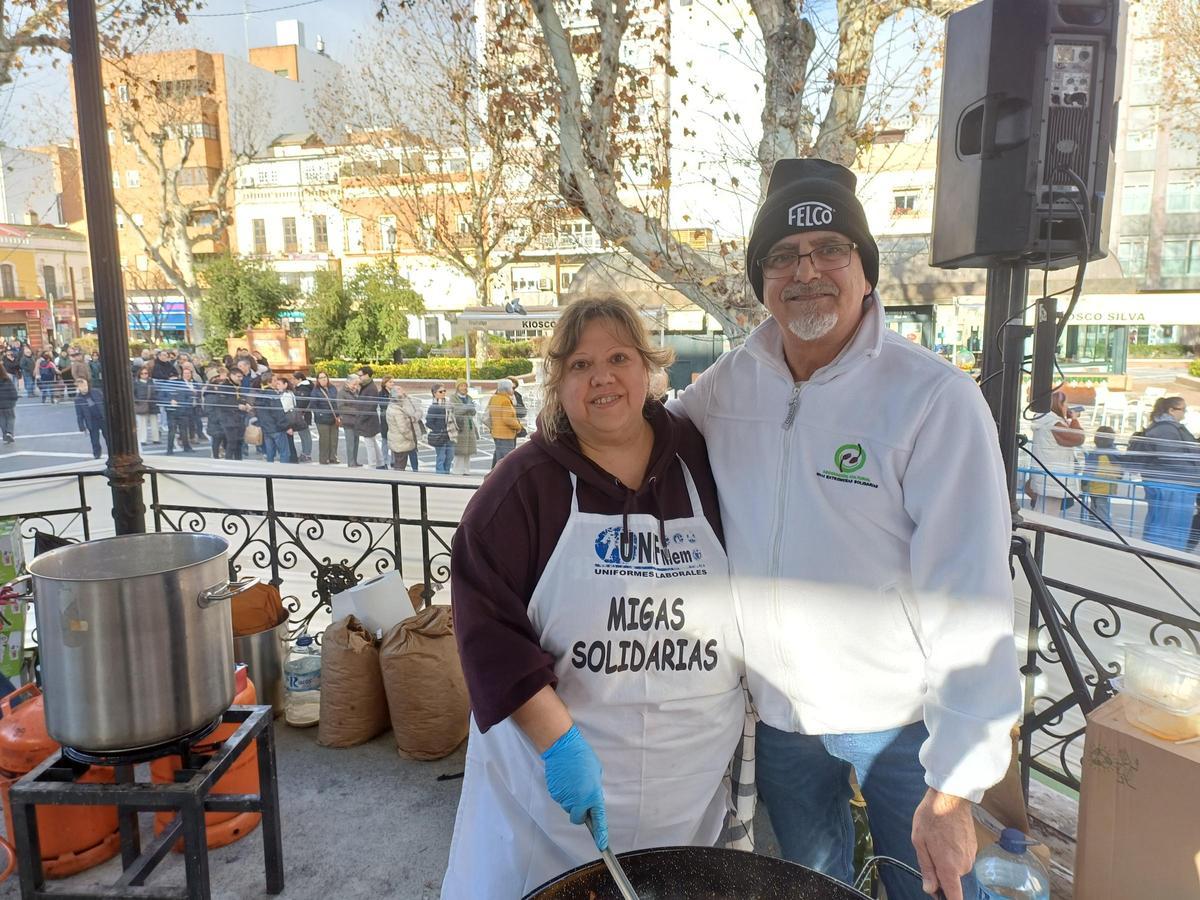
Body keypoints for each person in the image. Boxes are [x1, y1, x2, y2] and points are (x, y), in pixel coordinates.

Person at [671, 158, 1020, 900]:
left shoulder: (934, 400)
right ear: (760, 278)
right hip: (784, 723)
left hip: (903, 727)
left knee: (936, 891)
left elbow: (973, 596)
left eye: (831, 248)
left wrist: (955, 787)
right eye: (783, 256)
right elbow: (638, 444)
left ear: (866, 269)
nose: (807, 271)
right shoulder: (727, 385)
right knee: (813, 889)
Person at [442, 295, 746, 898]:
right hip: (552, 799)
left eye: (618, 357)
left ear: (647, 368)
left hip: (690, 796)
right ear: (556, 382)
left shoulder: (702, 464)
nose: (602, 377)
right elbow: (488, 632)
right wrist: (559, 745)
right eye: (580, 365)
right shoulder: (522, 488)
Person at [1129, 396, 1200, 550]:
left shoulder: (1168, 428)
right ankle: (1161, 555)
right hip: (1171, 485)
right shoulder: (1165, 429)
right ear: (1171, 410)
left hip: (1175, 485)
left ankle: (1164, 554)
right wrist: (1193, 472)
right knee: (1166, 527)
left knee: (1170, 526)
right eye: (1183, 410)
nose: (1185, 414)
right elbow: (1170, 458)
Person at [1026, 390, 1084, 515]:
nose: (1067, 407)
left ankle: (1038, 532)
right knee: (1048, 515)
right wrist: (1074, 420)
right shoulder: (1053, 423)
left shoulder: (1046, 420)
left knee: (1041, 511)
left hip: (1047, 475)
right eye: (1065, 404)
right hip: (1054, 477)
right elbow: (1077, 438)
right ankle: (1041, 534)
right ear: (1059, 405)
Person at [1080, 425, 1122, 527]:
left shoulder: (1096, 454)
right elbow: (1120, 473)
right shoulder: (1116, 453)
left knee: (1099, 514)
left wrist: (1083, 485)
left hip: (1095, 487)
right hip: (1109, 487)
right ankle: (1098, 530)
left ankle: (1102, 534)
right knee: (1101, 511)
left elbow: (1088, 472)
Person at [255, 374, 293, 463]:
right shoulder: (272, 395)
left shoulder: (260, 394)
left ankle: (270, 472)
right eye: (275, 380)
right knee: (284, 452)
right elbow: (278, 413)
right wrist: (286, 426)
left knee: (270, 453)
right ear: (269, 382)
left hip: (266, 428)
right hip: (276, 428)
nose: (277, 383)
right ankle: (283, 473)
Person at [385, 383, 423, 471]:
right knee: (400, 465)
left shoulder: (393, 407)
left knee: (400, 463)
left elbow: (418, 411)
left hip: (398, 440)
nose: (403, 392)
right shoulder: (397, 411)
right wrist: (411, 437)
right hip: (401, 441)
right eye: (400, 391)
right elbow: (403, 429)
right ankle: (399, 481)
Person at [354, 367, 384, 469]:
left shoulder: (370, 388)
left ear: (367, 375)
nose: (359, 377)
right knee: (372, 442)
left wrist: (361, 418)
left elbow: (370, 406)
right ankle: (380, 463)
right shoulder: (366, 386)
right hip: (369, 419)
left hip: (368, 420)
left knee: (369, 444)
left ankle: (372, 465)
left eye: (360, 375)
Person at [487, 379, 521, 467]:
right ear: (507, 389)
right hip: (505, 434)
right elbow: (508, 419)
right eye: (512, 388)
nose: (513, 390)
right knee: (505, 461)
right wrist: (518, 426)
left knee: (498, 458)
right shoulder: (505, 400)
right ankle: (502, 479)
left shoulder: (495, 398)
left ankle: (493, 477)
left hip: (496, 432)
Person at [449, 380, 479, 475]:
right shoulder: (453, 398)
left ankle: (466, 470)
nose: (464, 388)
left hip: (469, 427)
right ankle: (457, 471)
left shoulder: (469, 397)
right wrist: (467, 407)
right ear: (457, 387)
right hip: (459, 426)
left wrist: (470, 408)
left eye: (465, 386)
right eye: (461, 385)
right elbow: (456, 411)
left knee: (468, 451)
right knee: (459, 451)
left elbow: (473, 412)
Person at [311, 372, 340, 464]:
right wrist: (320, 414)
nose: (323, 379)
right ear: (318, 380)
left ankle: (333, 457)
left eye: (325, 377)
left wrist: (338, 415)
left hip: (333, 417)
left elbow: (336, 402)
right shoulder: (315, 391)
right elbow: (313, 405)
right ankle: (323, 459)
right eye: (321, 378)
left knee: (334, 439)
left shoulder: (333, 388)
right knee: (324, 440)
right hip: (322, 419)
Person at [74, 378, 107, 459]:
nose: (85, 387)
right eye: (82, 386)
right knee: (94, 439)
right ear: (78, 388)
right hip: (91, 421)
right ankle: (97, 454)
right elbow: (79, 415)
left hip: (102, 418)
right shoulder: (78, 399)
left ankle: (112, 452)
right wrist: (82, 427)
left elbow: (105, 403)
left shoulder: (96, 392)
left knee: (108, 437)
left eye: (85, 385)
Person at [163, 373, 195, 455]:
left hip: (182, 412)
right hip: (171, 412)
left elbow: (189, 397)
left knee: (183, 431)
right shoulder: (166, 387)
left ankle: (186, 447)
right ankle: (170, 449)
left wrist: (182, 404)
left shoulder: (182, 386)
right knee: (172, 431)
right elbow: (161, 398)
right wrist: (169, 402)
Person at [426, 384, 454, 474]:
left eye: (444, 391)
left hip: (450, 434)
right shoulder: (433, 406)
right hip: (440, 436)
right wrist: (439, 430)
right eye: (441, 391)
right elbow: (429, 422)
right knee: (441, 457)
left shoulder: (449, 404)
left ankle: (447, 474)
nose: (443, 393)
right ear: (434, 393)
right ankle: (440, 476)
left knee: (450, 456)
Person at [339, 378, 363, 467]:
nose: (355, 386)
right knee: (350, 443)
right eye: (354, 384)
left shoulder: (356, 392)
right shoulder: (342, 393)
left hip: (357, 421)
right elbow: (341, 407)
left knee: (356, 442)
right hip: (348, 421)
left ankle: (355, 461)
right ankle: (351, 462)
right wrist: (355, 410)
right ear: (348, 383)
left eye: (356, 384)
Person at [133, 366, 159, 445]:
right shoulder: (136, 383)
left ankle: (156, 439)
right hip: (141, 405)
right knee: (142, 424)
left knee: (154, 423)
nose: (144, 375)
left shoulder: (151, 382)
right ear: (139, 374)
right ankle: (142, 440)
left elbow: (156, 392)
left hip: (152, 404)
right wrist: (137, 402)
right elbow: (132, 394)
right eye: (142, 373)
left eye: (146, 373)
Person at [292, 370, 315, 462]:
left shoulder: (303, 388)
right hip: (304, 414)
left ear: (300, 379)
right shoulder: (306, 387)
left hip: (302, 415)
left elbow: (302, 402)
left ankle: (306, 454)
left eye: (294, 379)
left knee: (305, 435)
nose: (292, 381)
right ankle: (305, 453)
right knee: (304, 435)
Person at [0, 365, 17, 444]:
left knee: (2, 419)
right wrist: (14, 399)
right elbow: (13, 391)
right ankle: (9, 432)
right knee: (11, 418)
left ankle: (5, 435)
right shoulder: (7, 379)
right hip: (9, 403)